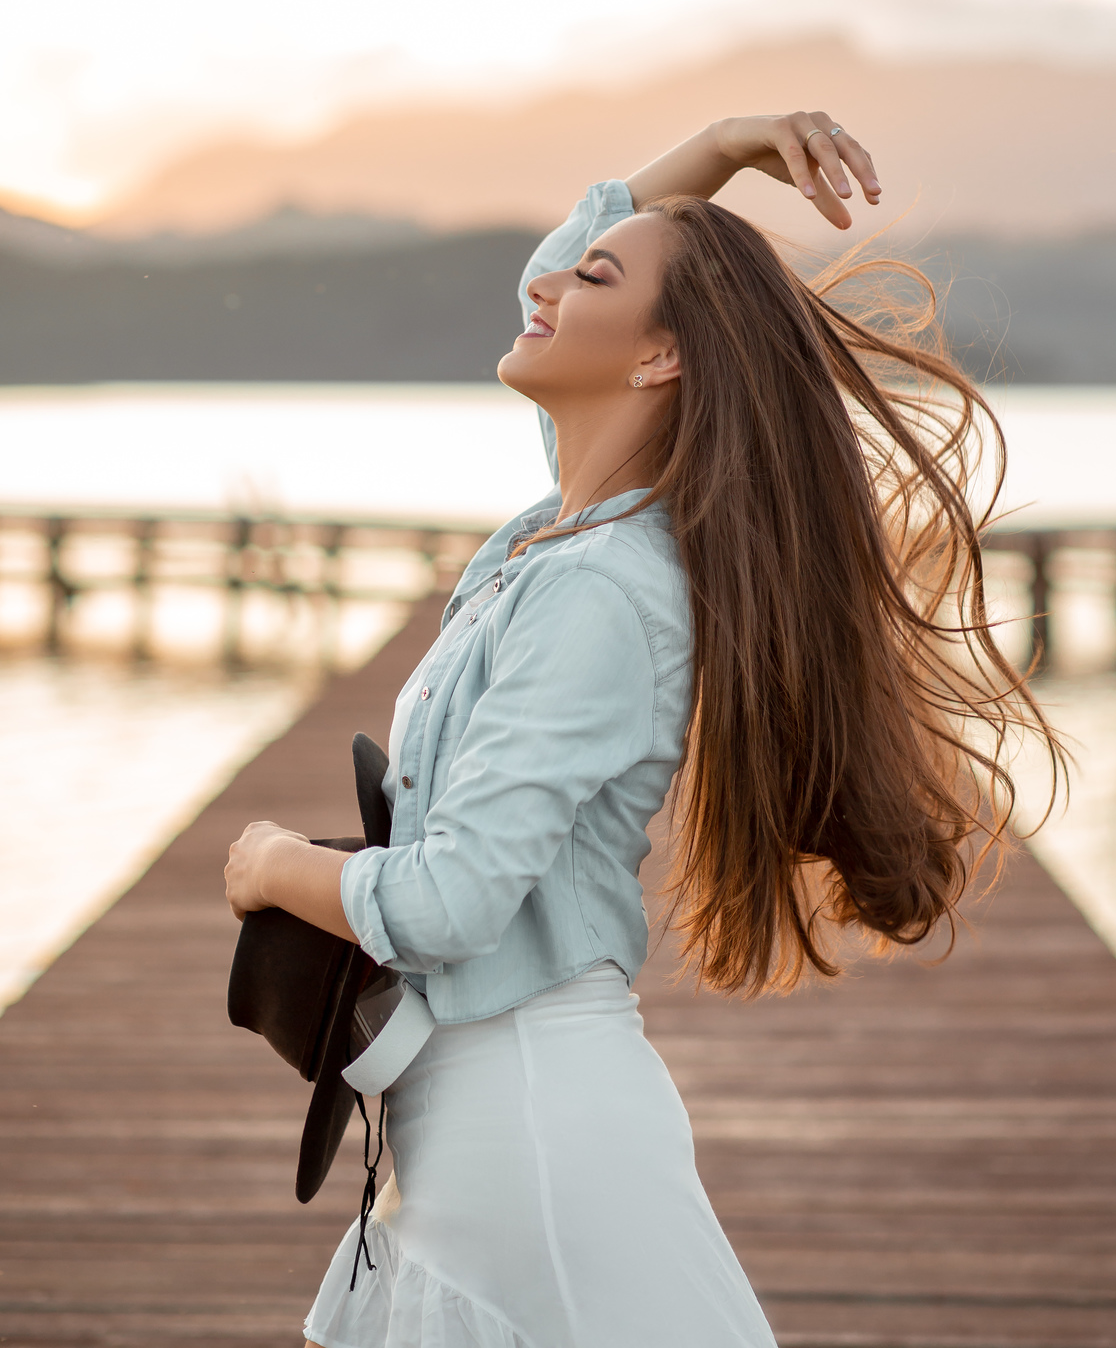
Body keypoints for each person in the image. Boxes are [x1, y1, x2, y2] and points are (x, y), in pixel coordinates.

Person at [225, 110, 1062, 1348]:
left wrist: (273, 868)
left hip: (533, 1127)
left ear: (661, 358)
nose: (550, 278)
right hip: (477, 1121)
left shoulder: (599, 590)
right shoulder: (549, 535)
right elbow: (558, 271)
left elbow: (454, 903)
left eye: (595, 275)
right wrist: (722, 148)